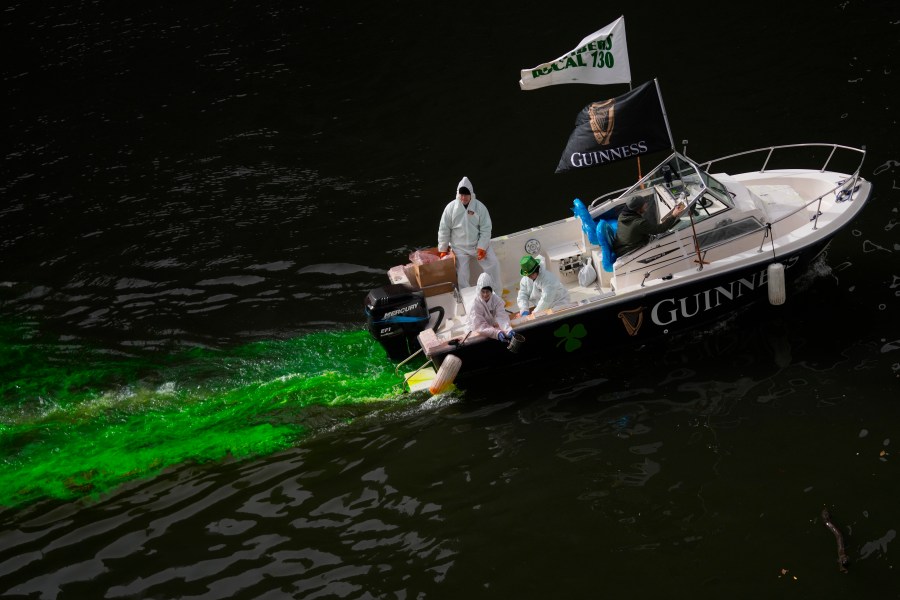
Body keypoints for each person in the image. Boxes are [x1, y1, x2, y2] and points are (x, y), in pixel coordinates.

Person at [437, 176, 503, 289]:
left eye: (466, 195)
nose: (463, 198)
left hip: (477, 245)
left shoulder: (480, 207)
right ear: (458, 194)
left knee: (493, 263)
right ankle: (467, 297)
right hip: (459, 248)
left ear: (471, 194)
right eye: (461, 195)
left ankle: (496, 293)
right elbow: (444, 229)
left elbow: (486, 228)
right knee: (462, 274)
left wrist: (482, 246)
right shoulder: (450, 208)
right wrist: (443, 249)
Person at [613, 196, 686, 256]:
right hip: (630, 250)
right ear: (637, 209)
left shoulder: (622, 215)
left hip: (620, 247)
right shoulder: (638, 223)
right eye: (643, 204)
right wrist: (674, 215)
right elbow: (660, 229)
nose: (646, 205)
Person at [466, 273, 515, 342]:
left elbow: (502, 317)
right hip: (476, 330)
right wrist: (496, 333)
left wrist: (508, 330)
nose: (485, 294)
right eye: (483, 292)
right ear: (479, 291)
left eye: (487, 291)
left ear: (491, 291)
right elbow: (479, 325)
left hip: (490, 328)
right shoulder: (475, 304)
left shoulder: (496, 300)